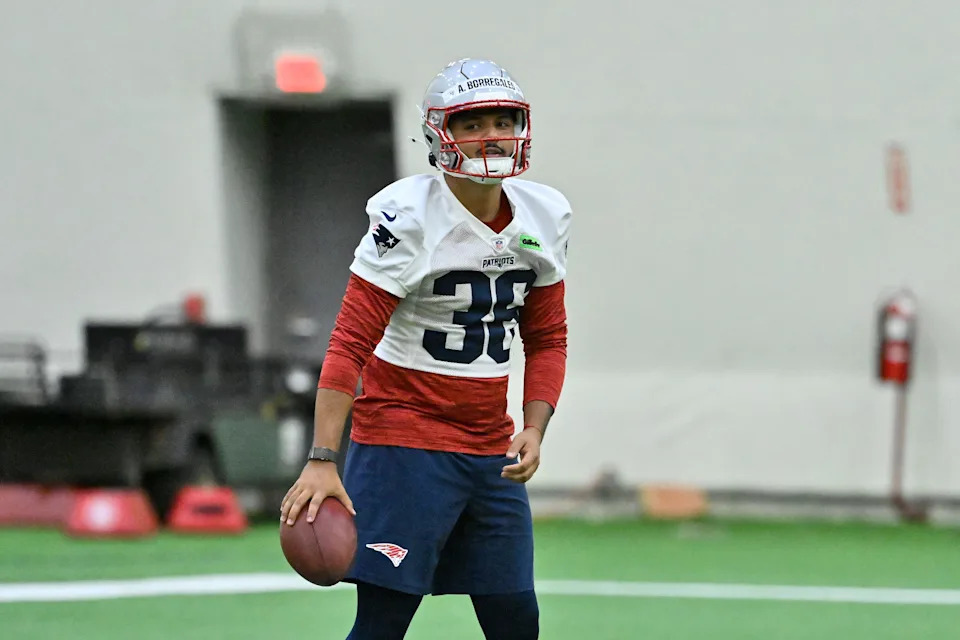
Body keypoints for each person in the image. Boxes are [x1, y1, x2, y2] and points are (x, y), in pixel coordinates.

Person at [280, 57, 571, 640]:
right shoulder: (408, 215)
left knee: (518, 622)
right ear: (441, 136)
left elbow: (548, 338)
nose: (491, 135)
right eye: (472, 123)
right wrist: (321, 458)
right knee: (384, 622)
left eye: (502, 119)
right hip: (403, 444)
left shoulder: (545, 213)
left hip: (490, 448)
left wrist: (534, 428)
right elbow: (349, 344)